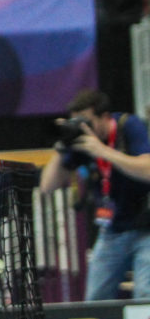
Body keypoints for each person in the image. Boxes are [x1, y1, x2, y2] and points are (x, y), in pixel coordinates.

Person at [41, 89, 150, 300]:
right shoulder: (82, 143)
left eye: (86, 121)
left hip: (145, 228)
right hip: (111, 231)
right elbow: (47, 186)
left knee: (145, 296)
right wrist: (63, 146)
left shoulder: (128, 125)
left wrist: (103, 151)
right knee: (95, 299)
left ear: (105, 117)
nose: (83, 127)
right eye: (77, 122)